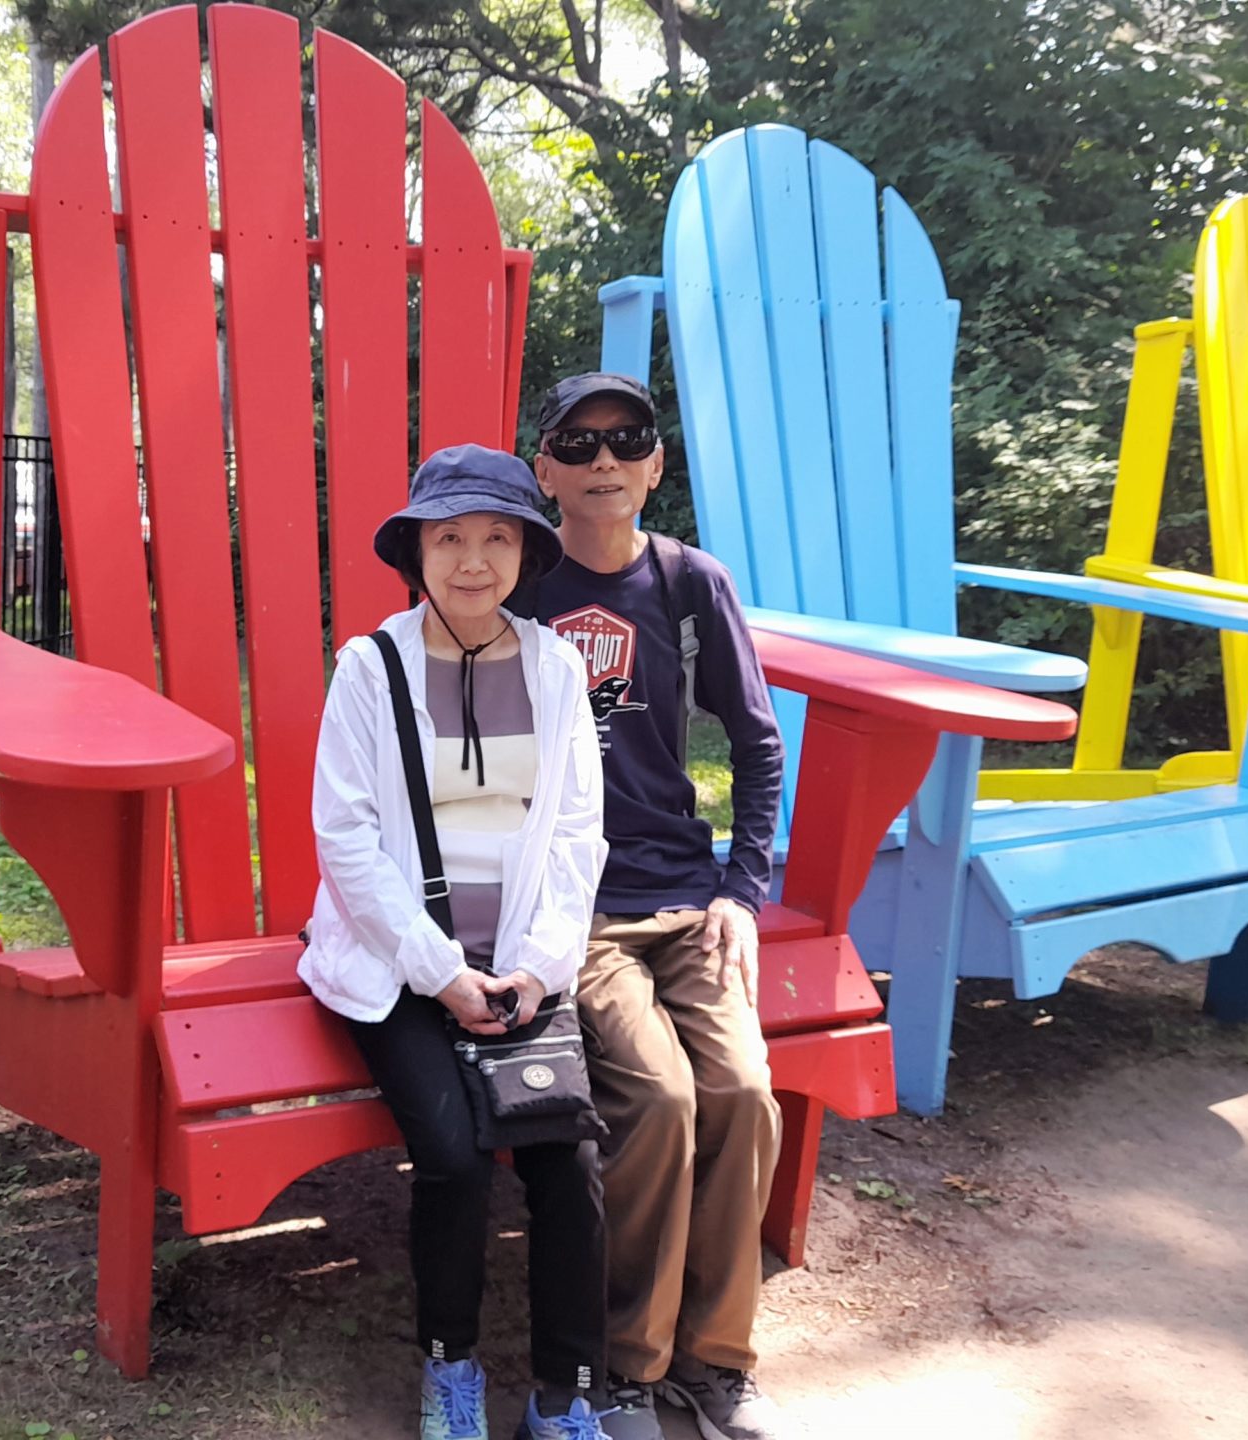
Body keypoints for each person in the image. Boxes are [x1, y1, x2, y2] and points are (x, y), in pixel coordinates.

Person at [301, 444, 614, 1440]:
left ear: (524, 549)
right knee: (452, 1155)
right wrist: (441, 974)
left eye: (495, 537)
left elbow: (576, 831)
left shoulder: (557, 666)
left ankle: (565, 1395)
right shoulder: (371, 667)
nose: (472, 561)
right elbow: (344, 836)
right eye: (449, 539)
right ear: (417, 552)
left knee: (567, 1159)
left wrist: (541, 964)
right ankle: (451, 1367)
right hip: (395, 967)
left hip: (520, 964)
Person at [523, 374, 797, 1440]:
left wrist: (744, 890)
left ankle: (716, 1362)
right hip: (574, 915)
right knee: (662, 1101)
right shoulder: (519, 586)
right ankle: (626, 1367)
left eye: (624, 440)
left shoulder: (689, 585)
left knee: (741, 1092)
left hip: (687, 898)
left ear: (654, 464)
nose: (601, 461)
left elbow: (759, 743)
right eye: (576, 444)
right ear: (544, 470)